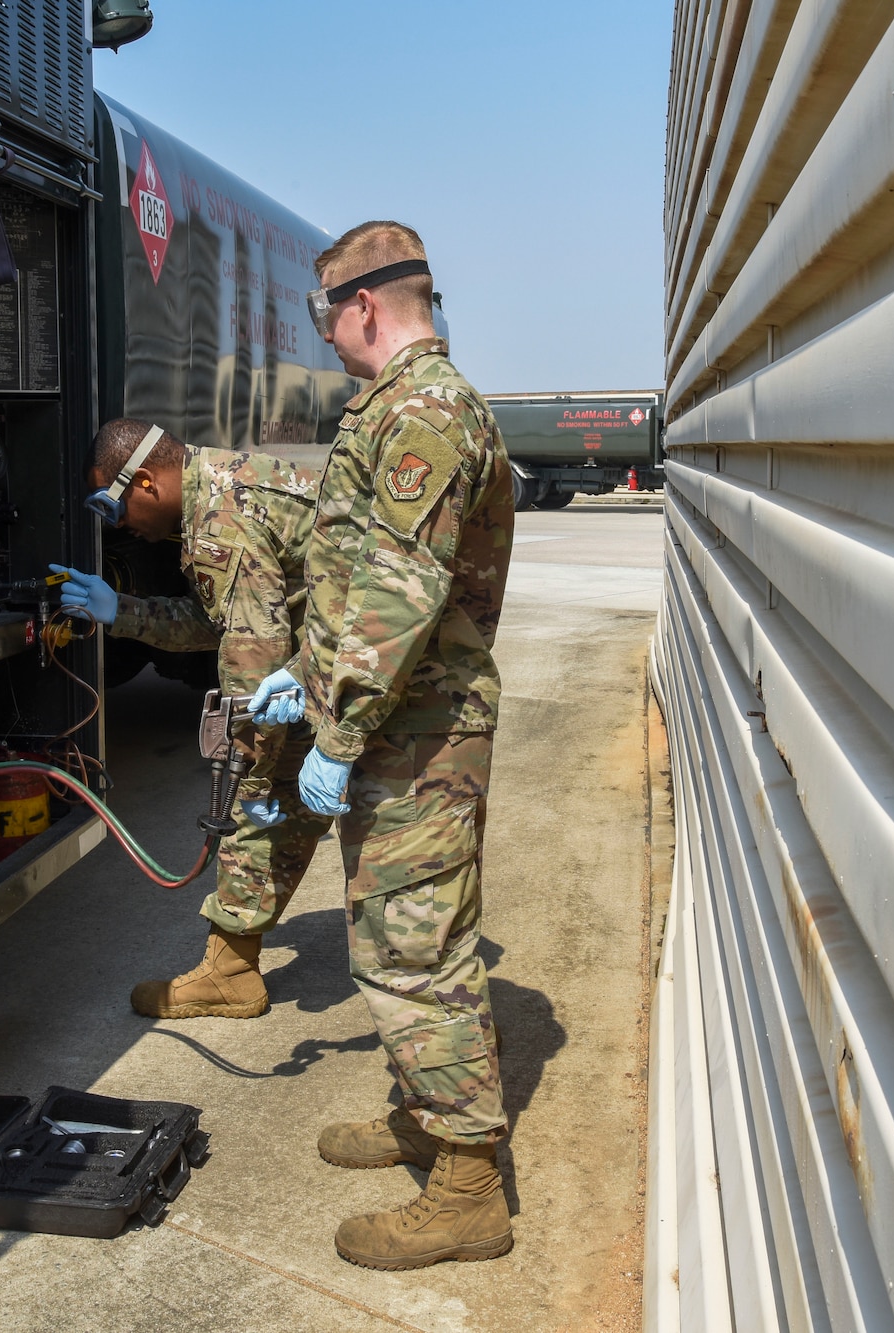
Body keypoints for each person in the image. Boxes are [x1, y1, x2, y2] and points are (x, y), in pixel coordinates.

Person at [252, 220, 517, 1270]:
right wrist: (309, 682)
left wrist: (343, 722)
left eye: (327, 315)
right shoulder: (401, 408)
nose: (324, 337)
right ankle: (424, 1111)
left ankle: (465, 1186)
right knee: (389, 937)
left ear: (364, 305)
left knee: (416, 952)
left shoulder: (425, 413)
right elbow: (360, 581)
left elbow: (401, 595)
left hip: (417, 734)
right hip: (394, 726)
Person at [50, 418, 328, 1021]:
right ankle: (234, 965)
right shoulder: (223, 489)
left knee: (258, 796)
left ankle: (231, 974)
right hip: (349, 658)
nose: (119, 526)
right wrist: (119, 610)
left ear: (144, 481)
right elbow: (218, 622)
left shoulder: (221, 517)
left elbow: (255, 649)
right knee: (283, 801)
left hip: (371, 665)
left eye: (112, 505)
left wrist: (241, 753)